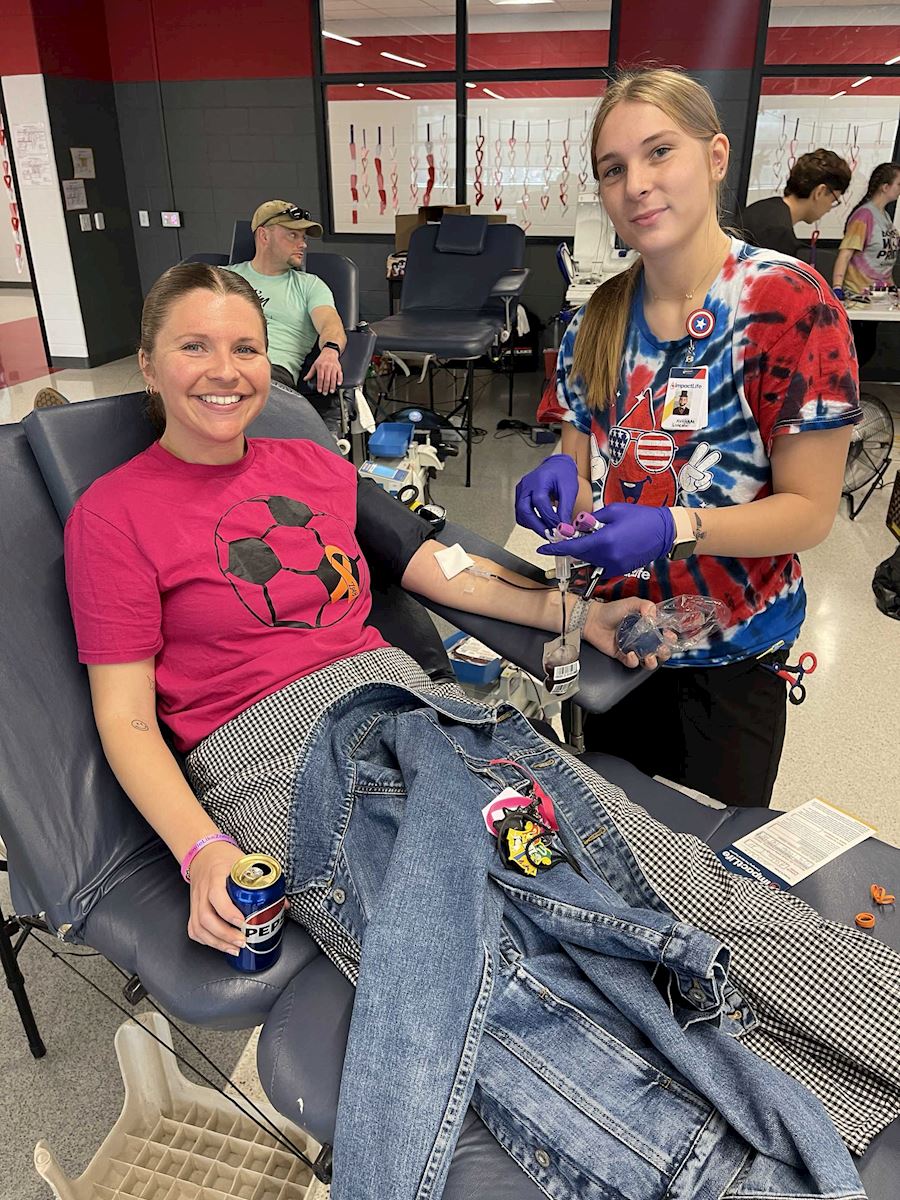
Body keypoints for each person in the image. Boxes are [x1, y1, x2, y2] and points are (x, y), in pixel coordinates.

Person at [61, 262, 894, 1200]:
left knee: (651, 862)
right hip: (278, 757)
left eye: (246, 346)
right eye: (195, 346)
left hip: (413, 705)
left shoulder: (306, 461)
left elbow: (433, 567)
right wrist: (202, 848)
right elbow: (126, 716)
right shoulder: (114, 516)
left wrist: (575, 618)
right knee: (492, 970)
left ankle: (878, 1018)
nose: (226, 369)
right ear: (148, 364)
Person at [515, 68, 860, 809]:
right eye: (614, 169)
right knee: (617, 838)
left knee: (708, 865)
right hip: (616, 637)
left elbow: (809, 512)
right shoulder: (594, 321)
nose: (636, 183)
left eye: (659, 152)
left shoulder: (788, 305)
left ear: (715, 156)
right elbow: (578, 462)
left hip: (729, 658)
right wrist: (558, 478)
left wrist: (676, 527)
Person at [227, 200, 346, 426]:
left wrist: (331, 351)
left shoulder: (310, 285)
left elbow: (331, 324)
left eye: (304, 238)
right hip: (218, 363)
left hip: (268, 371)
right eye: (293, 235)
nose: (302, 244)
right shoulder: (223, 277)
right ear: (264, 236)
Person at [739, 149, 851, 261]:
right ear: (820, 192)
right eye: (833, 200)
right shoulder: (777, 232)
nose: (829, 209)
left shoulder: (766, 208)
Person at [833, 162, 900, 297]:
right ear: (885, 187)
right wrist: (837, 288)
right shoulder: (864, 216)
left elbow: (883, 262)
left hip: (879, 295)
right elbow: (845, 254)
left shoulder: (885, 216)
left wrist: (892, 287)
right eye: (899, 184)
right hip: (858, 295)